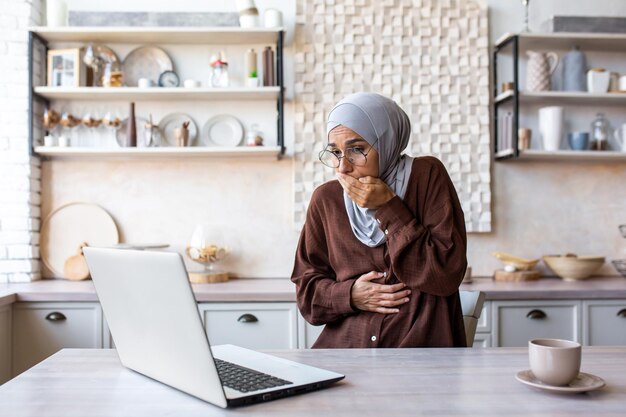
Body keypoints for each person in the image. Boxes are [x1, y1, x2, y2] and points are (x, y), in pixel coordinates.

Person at [291, 92, 468, 348]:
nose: (343, 168)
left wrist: (387, 207)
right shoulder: (326, 199)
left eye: (357, 149)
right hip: (345, 352)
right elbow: (307, 297)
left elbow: (445, 275)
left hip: (420, 353)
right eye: (335, 153)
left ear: (387, 141)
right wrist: (350, 295)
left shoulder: (427, 176)